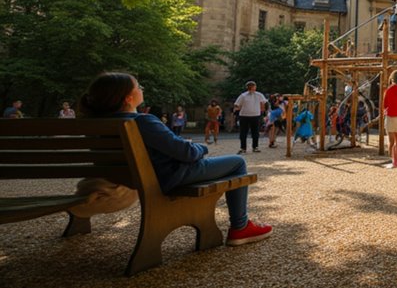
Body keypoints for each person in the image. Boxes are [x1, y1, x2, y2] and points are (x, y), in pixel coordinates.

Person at [78, 72, 272, 246]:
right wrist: (201, 148)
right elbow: (186, 153)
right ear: (129, 97)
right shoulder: (142, 121)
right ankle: (240, 226)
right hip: (169, 176)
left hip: (134, 178)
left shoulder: (96, 124)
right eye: (138, 86)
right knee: (238, 162)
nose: (141, 89)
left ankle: (241, 226)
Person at [234, 81, 267, 155]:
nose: (252, 87)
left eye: (253, 86)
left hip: (255, 115)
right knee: (243, 132)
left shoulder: (259, 95)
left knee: (255, 132)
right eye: (251, 86)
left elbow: (263, 104)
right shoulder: (243, 95)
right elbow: (237, 105)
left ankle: (255, 147)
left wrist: (262, 112)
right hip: (244, 116)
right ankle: (243, 148)